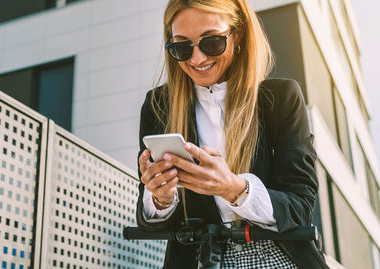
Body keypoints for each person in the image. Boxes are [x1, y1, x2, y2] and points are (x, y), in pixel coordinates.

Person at [135, 0, 329, 268]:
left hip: (277, 256)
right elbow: (151, 222)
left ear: (237, 35)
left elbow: (299, 208)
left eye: (211, 42)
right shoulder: (158, 106)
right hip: (200, 259)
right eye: (181, 47)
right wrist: (160, 198)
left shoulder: (281, 99)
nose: (197, 59)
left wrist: (235, 189)